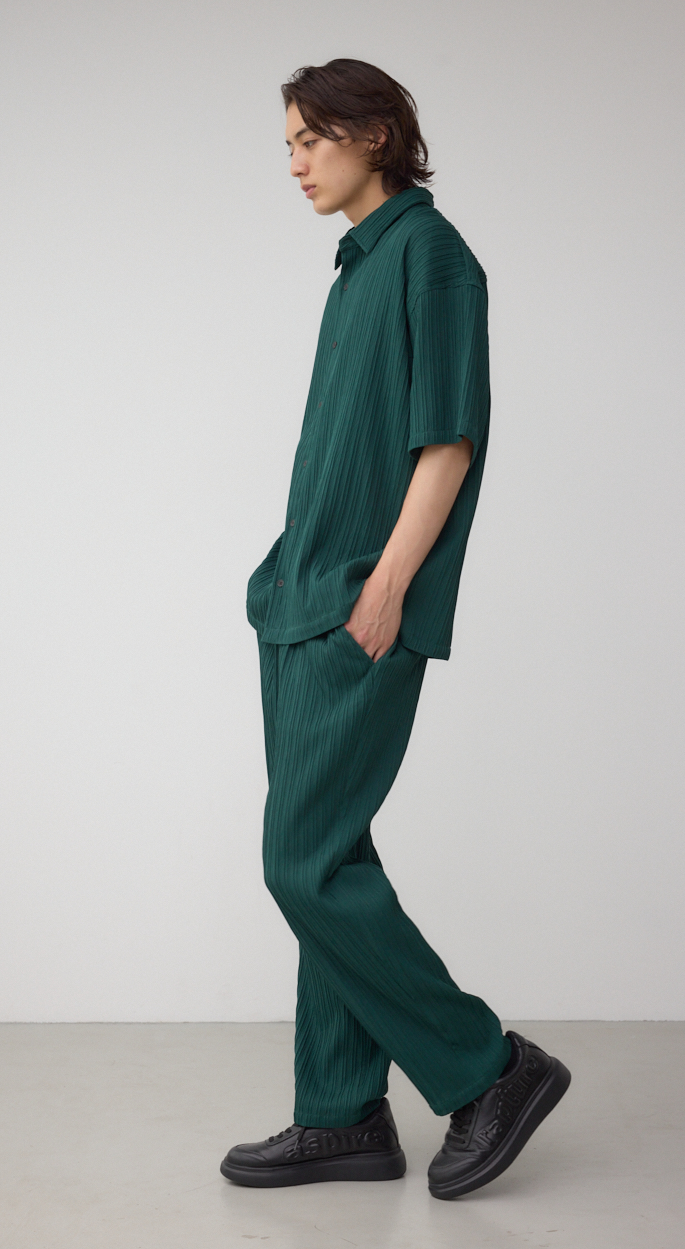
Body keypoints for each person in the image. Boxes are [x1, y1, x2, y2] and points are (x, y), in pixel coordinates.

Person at [220, 58, 570, 1201]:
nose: (292, 163)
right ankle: (340, 1114)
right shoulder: (357, 267)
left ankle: (489, 1069)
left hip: (357, 605)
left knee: (302, 860)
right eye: (285, 143)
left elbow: (447, 440)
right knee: (333, 854)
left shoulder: (432, 256)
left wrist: (386, 588)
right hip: (298, 602)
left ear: (373, 134)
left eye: (309, 139)